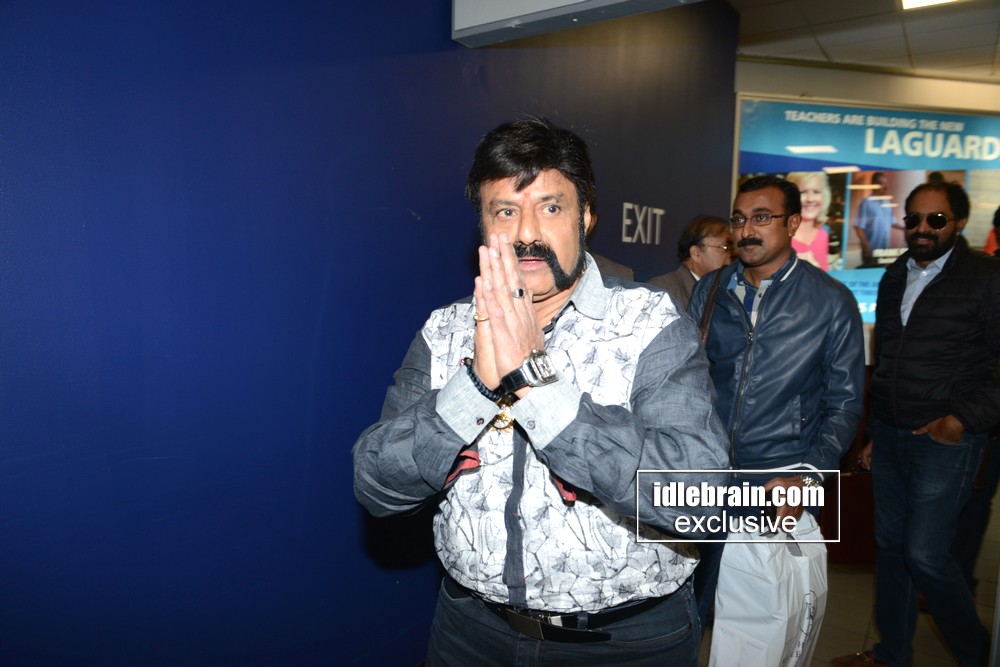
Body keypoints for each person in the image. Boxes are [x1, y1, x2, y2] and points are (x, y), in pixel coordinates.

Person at [352, 118, 730, 666]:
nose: (526, 232)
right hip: (468, 634)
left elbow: (699, 496)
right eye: (505, 211)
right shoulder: (445, 331)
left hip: (623, 644)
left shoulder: (649, 323)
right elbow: (376, 484)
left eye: (550, 207)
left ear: (586, 217)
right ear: (483, 227)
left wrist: (534, 384)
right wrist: (476, 387)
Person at [687, 175, 865, 631]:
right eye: (739, 219)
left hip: (777, 482)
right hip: (706, 476)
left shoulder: (831, 301)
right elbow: (685, 379)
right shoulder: (711, 289)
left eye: (761, 218)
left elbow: (845, 403)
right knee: (690, 609)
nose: (747, 230)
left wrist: (808, 475)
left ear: (792, 223)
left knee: (757, 621)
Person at [833, 181, 1000, 667]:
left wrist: (961, 421)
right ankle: (891, 655)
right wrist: (873, 433)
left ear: (960, 223)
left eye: (936, 219)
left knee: (925, 555)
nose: (923, 228)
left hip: (945, 442)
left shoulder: (986, 278)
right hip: (890, 436)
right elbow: (887, 359)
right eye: (914, 219)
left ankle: (979, 655)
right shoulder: (894, 275)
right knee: (891, 549)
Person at [647, 215, 733, 308]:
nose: (730, 254)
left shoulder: (727, 292)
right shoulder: (663, 290)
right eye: (723, 247)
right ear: (696, 253)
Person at [853, 171, 902, 266]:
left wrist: (904, 228)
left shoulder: (887, 202)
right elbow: (858, 227)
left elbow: (892, 222)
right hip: (871, 250)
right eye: (881, 183)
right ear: (874, 185)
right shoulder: (866, 202)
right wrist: (867, 248)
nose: (885, 186)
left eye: (885, 183)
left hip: (883, 251)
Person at [785, 171, 831, 270]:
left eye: (816, 192)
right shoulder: (780, 237)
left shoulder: (823, 235)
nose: (810, 199)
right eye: (803, 192)